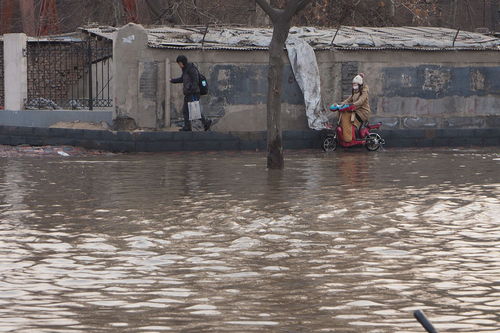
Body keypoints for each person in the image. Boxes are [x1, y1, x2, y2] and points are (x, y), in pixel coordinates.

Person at [170, 55, 211, 131]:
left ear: (183, 62)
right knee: (187, 110)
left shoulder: (191, 68)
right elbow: (182, 79)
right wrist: (172, 80)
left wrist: (191, 89)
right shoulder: (185, 69)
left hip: (193, 93)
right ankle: (188, 126)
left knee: (194, 110)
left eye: (179, 63)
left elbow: (196, 80)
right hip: (188, 93)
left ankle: (205, 123)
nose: (179, 65)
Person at [334, 73, 371, 142]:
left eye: (355, 84)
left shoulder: (364, 91)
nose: (354, 86)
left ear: (359, 84)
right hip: (356, 110)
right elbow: (348, 100)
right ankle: (347, 135)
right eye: (353, 84)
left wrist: (353, 105)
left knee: (348, 116)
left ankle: (349, 137)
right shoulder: (355, 91)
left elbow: (361, 101)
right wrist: (340, 105)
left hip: (363, 112)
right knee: (344, 113)